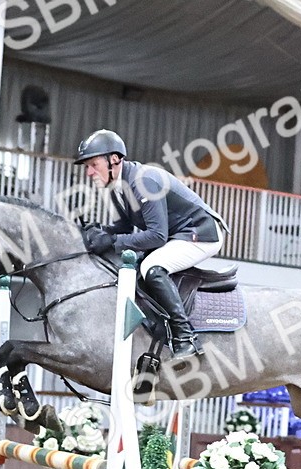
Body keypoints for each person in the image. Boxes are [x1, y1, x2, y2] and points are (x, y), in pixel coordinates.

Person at [73, 129, 228, 359]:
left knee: (151, 268)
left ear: (114, 159)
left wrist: (113, 241)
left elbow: (157, 236)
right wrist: (100, 231)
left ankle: (186, 338)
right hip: (178, 234)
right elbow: (125, 229)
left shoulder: (142, 180)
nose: (88, 172)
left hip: (202, 233)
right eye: (87, 166)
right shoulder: (119, 187)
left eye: (93, 164)